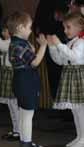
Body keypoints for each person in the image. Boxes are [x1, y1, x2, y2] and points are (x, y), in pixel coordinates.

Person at [7, 11, 47, 147]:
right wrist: (43, 46)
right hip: (26, 81)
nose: (30, 30)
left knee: (24, 114)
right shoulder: (20, 45)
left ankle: (25, 142)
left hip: (20, 80)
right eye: (29, 27)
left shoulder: (16, 43)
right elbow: (35, 62)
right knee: (28, 115)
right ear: (20, 27)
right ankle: (27, 143)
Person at [47, 12, 84, 147]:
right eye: (64, 27)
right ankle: (80, 136)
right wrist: (52, 47)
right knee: (75, 110)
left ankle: (83, 138)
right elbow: (60, 60)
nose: (65, 30)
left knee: (81, 110)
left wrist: (59, 45)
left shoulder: (82, 42)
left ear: (79, 27)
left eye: (68, 27)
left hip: (79, 78)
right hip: (70, 77)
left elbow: (74, 57)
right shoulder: (72, 42)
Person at [0, 23, 20, 141]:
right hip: (5, 74)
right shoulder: (5, 43)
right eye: (2, 31)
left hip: (11, 75)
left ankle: (19, 131)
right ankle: (16, 129)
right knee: (11, 105)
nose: (3, 33)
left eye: (5, 31)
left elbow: (1, 46)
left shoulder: (11, 42)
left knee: (14, 104)